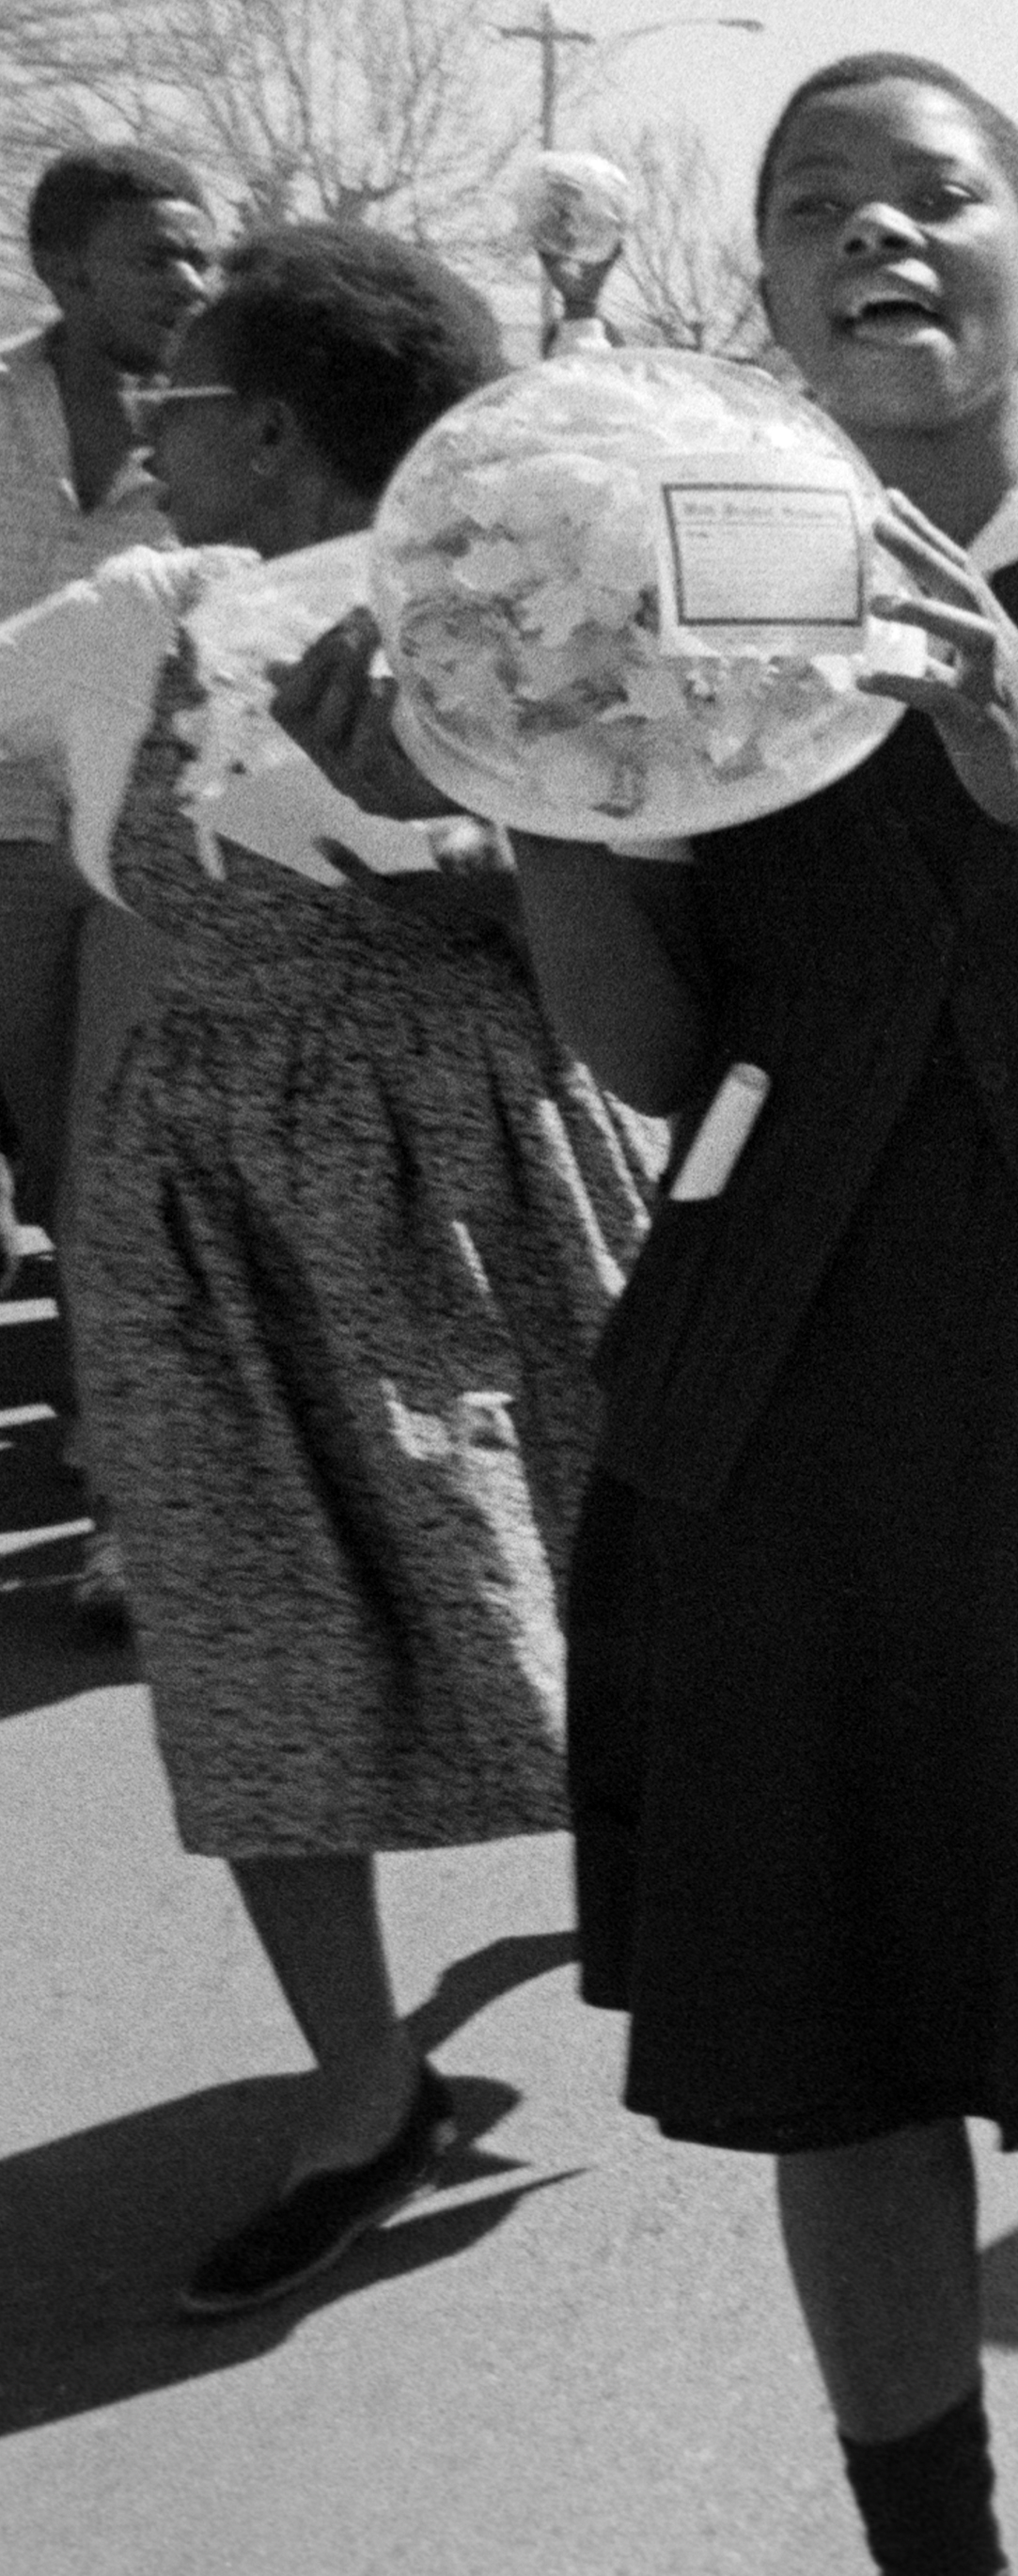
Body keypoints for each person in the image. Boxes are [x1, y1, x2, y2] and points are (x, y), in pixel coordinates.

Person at [466, 53, 1018, 2576]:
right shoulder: (672, 562)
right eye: (815, 202)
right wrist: (534, 786)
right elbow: (655, 1053)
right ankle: (927, 2522)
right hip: (779, 1397)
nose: (878, 235)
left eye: (935, 195)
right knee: (830, 2037)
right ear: (769, 294)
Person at [16, 228, 641, 2316]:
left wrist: (469, 840)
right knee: (248, 1629)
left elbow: (651, 897)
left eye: (177, 403)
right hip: (207, 1194)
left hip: (498, 1160)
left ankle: (764, 1942)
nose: (146, 435)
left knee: (638, 1573)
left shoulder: (510, 600)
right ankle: (363, 2089)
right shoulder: (133, 619)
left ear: (271, 428)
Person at [2, 146, 210, 1626]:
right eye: (160, 259)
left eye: (205, 257)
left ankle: (129, 1508)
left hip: (141, 853)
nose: (194, 285)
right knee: (36, 1160)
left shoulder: (222, 440)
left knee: (115, 1168)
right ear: (66, 274)